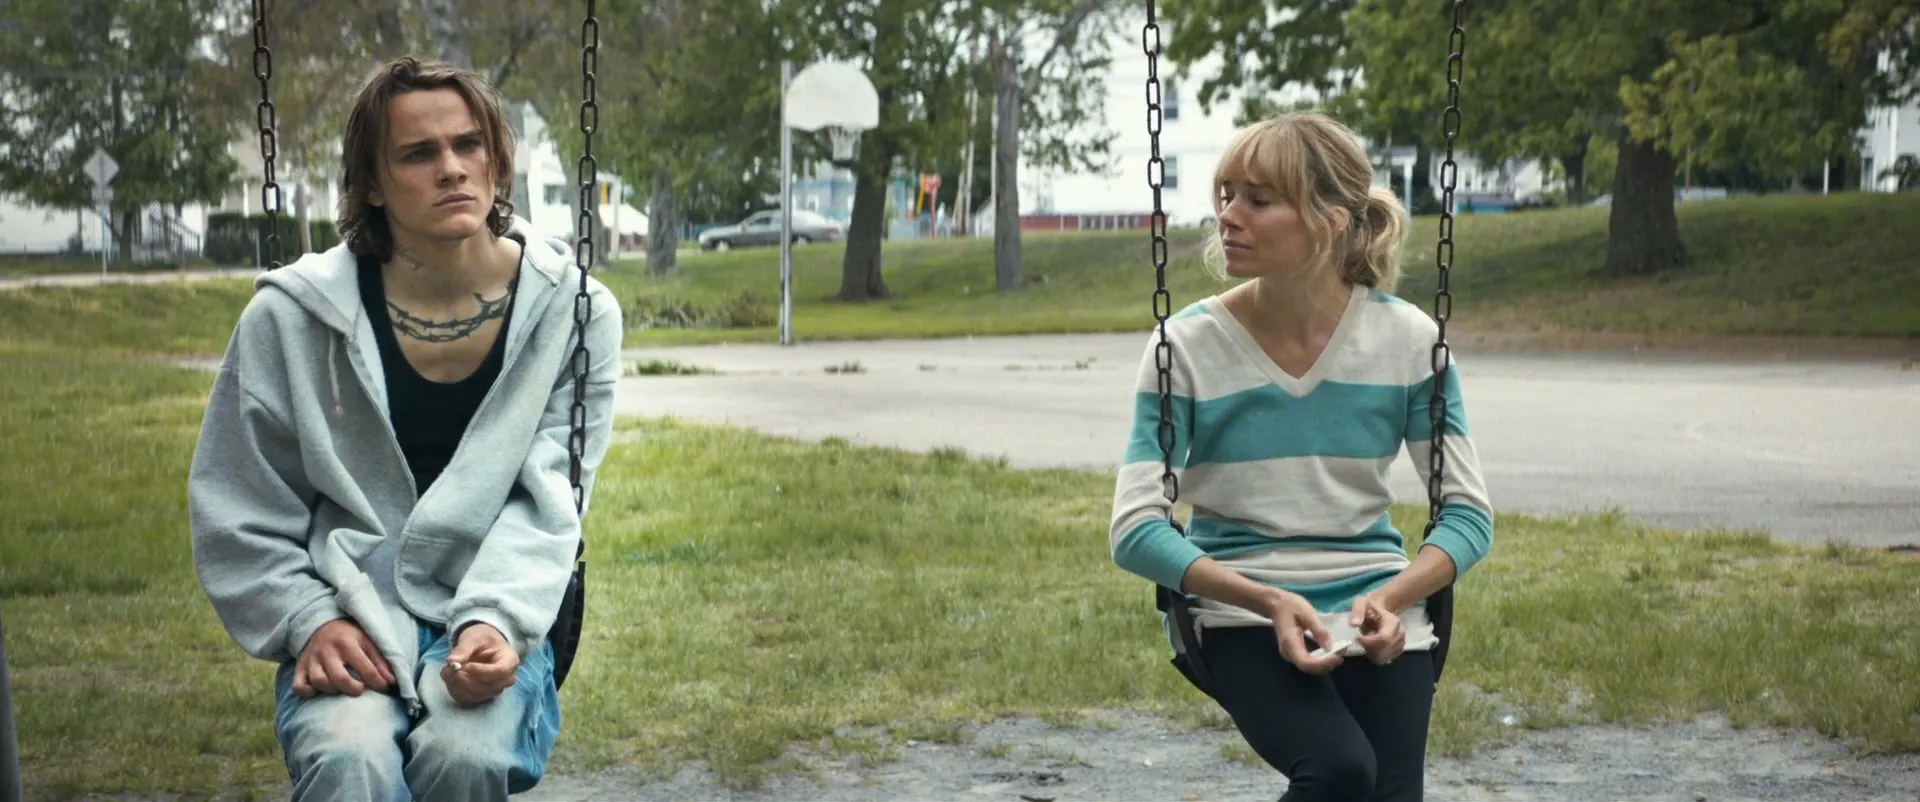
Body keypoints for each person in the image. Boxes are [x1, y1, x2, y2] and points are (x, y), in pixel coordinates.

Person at [188, 57, 623, 801]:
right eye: (419, 153)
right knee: (349, 759)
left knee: (466, 755)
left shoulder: (574, 314)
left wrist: (496, 620)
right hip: (347, 607)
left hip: (493, 605)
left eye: (468, 144)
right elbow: (241, 501)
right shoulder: (291, 319)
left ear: (497, 158)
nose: (452, 168)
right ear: (371, 184)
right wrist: (307, 619)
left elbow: (549, 499)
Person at [1108, 112, 1494, 802]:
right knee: (1340, 772)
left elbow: (1468, 516)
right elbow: (1135, 528)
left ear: (1330, 221)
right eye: (1226, 195)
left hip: (1373, 603)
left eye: (1258, 200)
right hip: (1242, 611)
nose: (1228, 216)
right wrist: (1266, 599)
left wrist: (1391, 599)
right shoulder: (1185, 347)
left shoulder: (1409, 341)